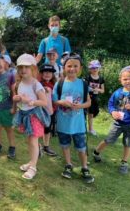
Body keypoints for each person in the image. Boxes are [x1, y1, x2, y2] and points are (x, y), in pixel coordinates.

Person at [93, 66, 130, 174]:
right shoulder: (117, 93)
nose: (128, 81)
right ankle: (96, 152)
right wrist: (112, 112)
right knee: (109, 139)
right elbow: (111, 104)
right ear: (120, 80)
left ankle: (124, 163)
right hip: (117, 123)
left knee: (128, 143)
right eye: (125, 79)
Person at [52, 52, 94, 184]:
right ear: (64, 67)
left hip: (78, 124)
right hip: (63, 122)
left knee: (81, 147)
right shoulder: (59, 83)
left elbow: (88, 102)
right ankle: (68, 165)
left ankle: (84, 167)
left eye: (75, 66)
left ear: (80, 68)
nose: (72, 69)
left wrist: (80, 106)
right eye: (69, 66)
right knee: (65, 145)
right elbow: (54, 100)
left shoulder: (83, 84)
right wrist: (62, 103)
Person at [13, 54, 50, 180]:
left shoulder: (36, 84)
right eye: (21, 67)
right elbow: (18, 99)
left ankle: (33, 167)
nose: (23, 70)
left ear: (33, 69)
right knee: (29, 140)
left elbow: (44, 102)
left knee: (33, 141)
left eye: (27, 67)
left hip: (34, 115)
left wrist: (31, 102)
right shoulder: (19, 83)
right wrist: (17, 98)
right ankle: (31, 161)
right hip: (24, 115)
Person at [38, 64, 57, 156]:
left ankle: (46, 146)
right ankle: (37, 146)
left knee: (47, 129)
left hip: (51, 110)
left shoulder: (54, 84)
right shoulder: (38, 84)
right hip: (40, 111)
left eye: (50, 72)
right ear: (41, 73)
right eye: (45, 72)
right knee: (38, 128)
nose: (47, 74)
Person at [84, 60, 105, 136]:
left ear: (99, 68)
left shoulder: (101, 79)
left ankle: (90, 129)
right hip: (86, 97)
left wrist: (98, 90)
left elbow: (103, 90)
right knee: (84, 113)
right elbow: (84, 87)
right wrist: (90, 89)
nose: (95, 69)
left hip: (94, 99)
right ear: (90, 69)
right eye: (93, 68)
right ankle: (82, 129)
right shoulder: (87, 77)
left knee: (91, 114)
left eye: (96, 67)